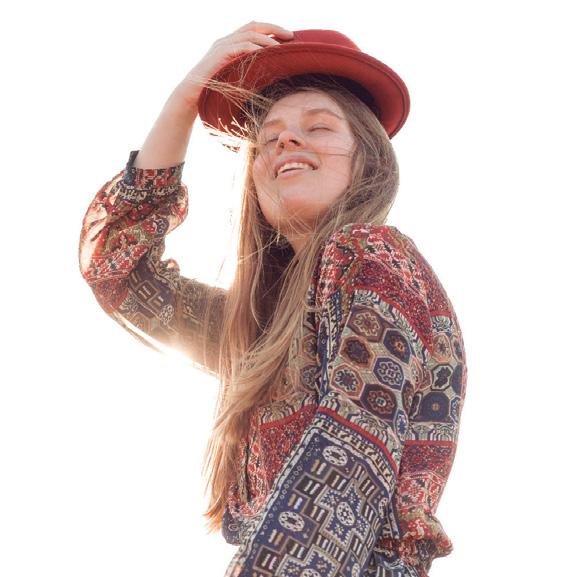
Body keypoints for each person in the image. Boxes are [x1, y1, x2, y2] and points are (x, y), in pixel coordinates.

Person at [78, 22, 468, 577]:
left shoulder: (370, 254)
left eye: (319, 127)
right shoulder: (258, 328)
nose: (287, 141)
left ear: (368, 157)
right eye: (267, 138)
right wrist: (186, 98)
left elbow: (344, 471)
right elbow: (117, 266)